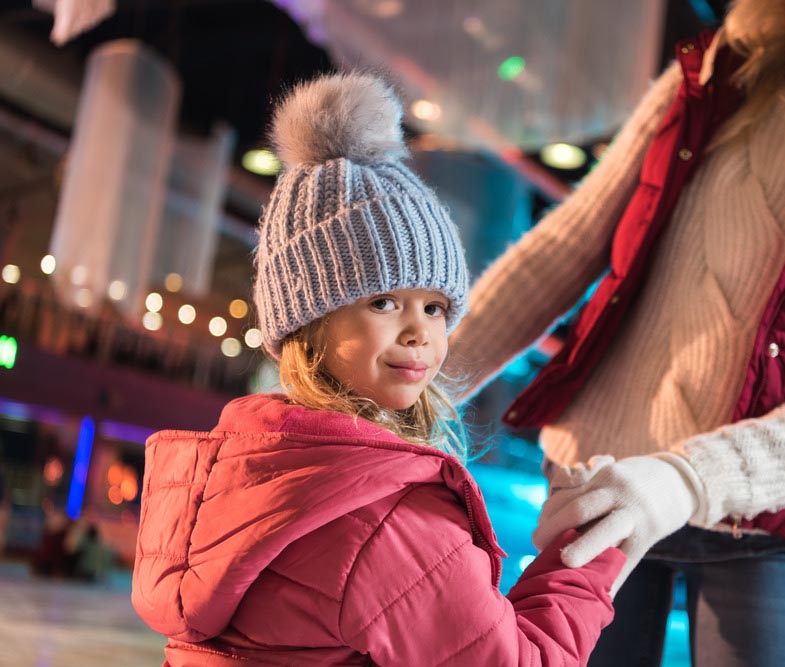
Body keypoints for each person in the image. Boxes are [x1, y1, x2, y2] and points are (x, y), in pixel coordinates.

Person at [446, 0, 785, 665]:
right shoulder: (715, 73)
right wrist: (414, 391)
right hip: (601, 482)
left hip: (768, 522)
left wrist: (687, 477)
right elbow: (562, 250)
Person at [131, 72, 624, 666]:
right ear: (308, 319)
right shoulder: (380, 517)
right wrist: (593, 546)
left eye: (436, 307)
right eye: (384, 301)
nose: (420, 332)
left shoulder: (231, 474)